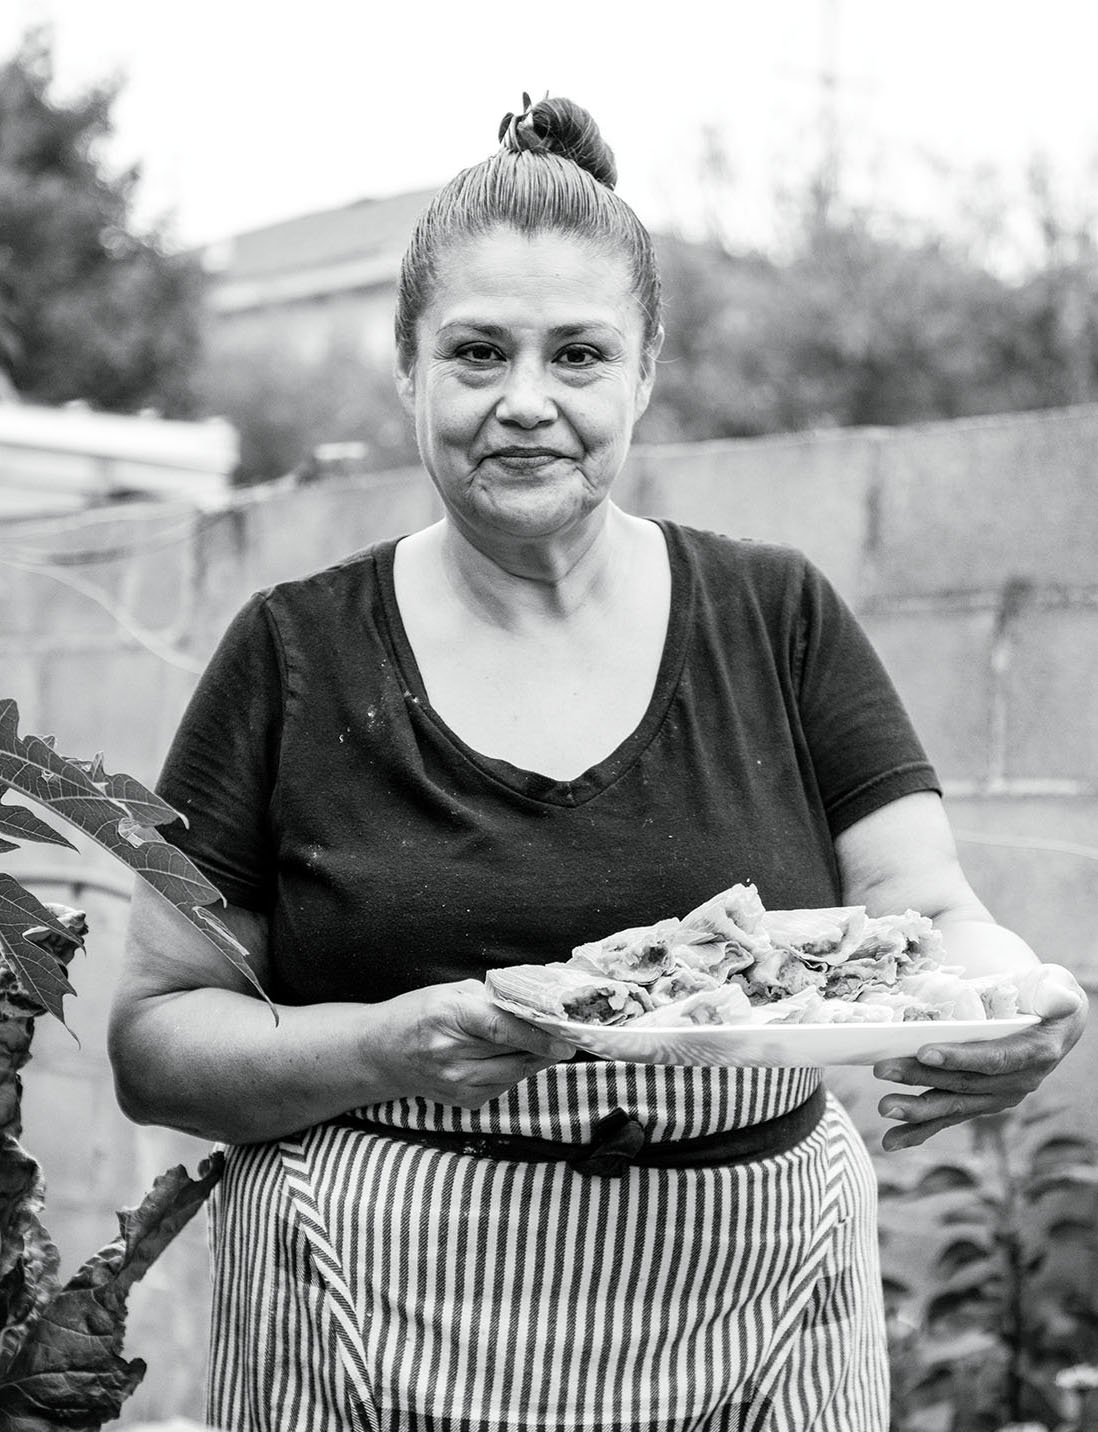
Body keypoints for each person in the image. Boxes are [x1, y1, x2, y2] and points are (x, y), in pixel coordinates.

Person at [108, 95, 1087, 1432]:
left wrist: (1015, 1005)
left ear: (643, 368)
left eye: (576, 353)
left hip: (756, 1309)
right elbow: (158, 1044)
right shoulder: (292, 654)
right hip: (371, 1315)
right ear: (408, 370)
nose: (526, 402)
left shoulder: (776, 617)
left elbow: (927, 921)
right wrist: (390, 1046)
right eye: (475, 353)